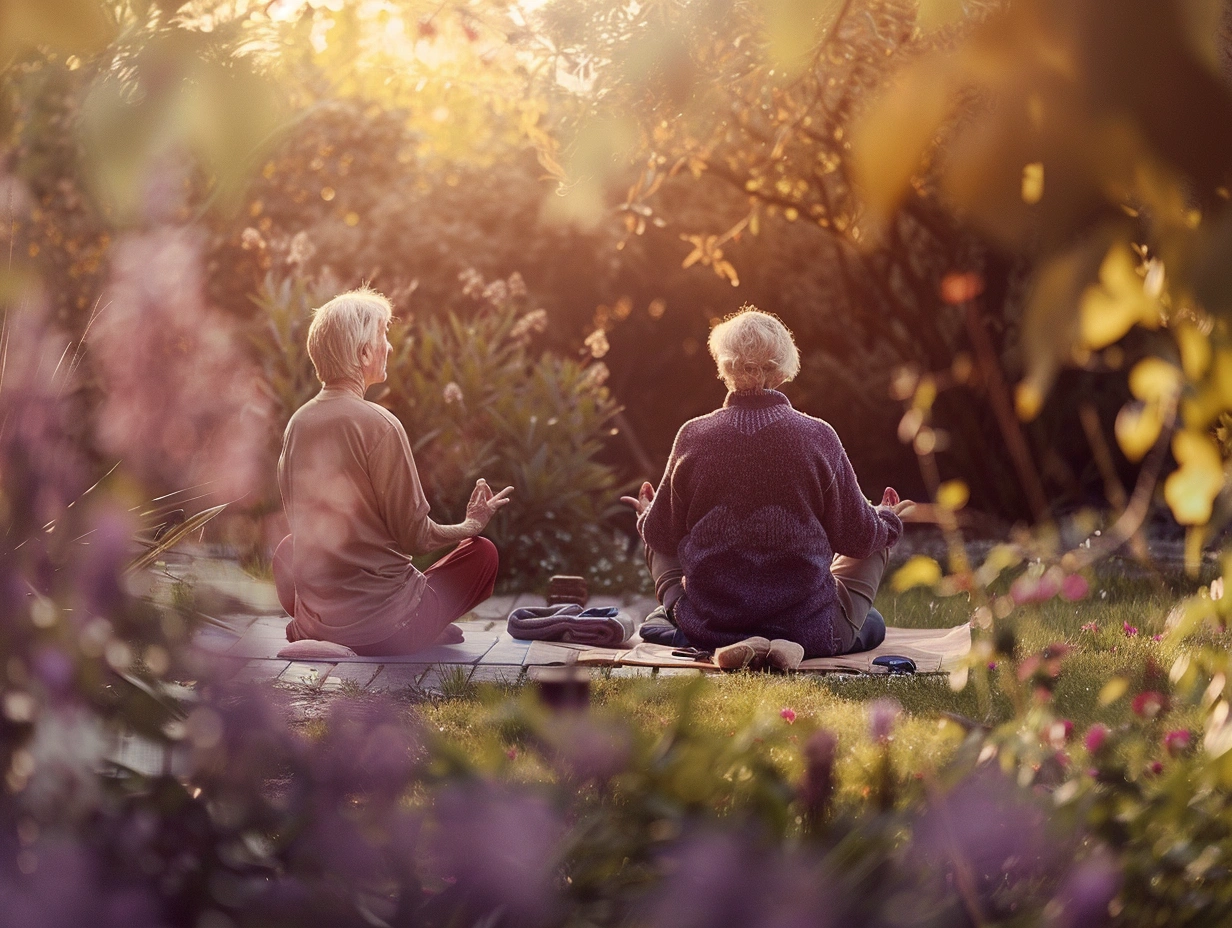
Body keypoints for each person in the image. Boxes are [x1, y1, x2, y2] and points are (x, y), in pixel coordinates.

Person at [622, 307, 918, 670]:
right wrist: (887, 520)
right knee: (872, 610)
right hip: (809, 624)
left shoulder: (692, 437)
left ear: (724, 365)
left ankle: (713, 634)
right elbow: (858, 537)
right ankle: (789, 646)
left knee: (656, 539)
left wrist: (646, 515)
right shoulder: (819, 437)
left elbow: (662, 535)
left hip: (712, 625)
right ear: (782, 368)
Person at [272, 287, 512, 656]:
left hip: (316, 618)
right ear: (364, 351)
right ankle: (418, 628)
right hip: (385, 630)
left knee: (289, 548)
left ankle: (320, 628)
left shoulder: (297, 423)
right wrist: (469, 526)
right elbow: (414, 537)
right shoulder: (381, 425)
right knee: (483, 553)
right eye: (384, 336)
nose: (389, 347)